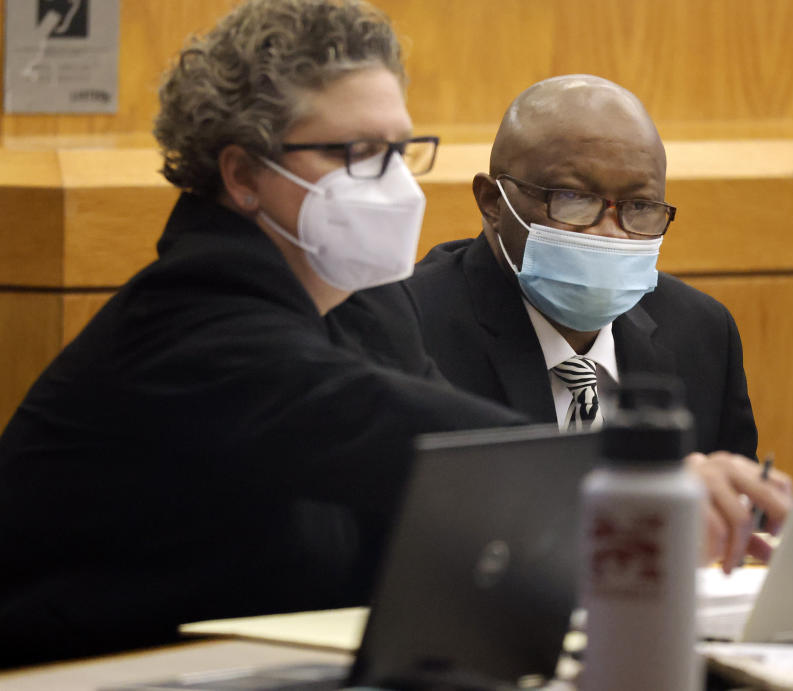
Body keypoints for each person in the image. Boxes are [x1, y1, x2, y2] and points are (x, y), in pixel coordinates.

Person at [0, 0, 522, 666]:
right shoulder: (185, 317)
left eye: (400, 150)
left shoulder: (373, 306)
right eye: (358, 153)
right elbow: (379, 424)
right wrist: (631, 469)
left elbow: (441, 510)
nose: (393, 183)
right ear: (244, 174)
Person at [336, 73, 789, 570]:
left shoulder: (701, 331)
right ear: (493, 202)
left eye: (639, 207)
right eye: (573, 199)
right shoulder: (407, 327)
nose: (610, 232)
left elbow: (730, 534)